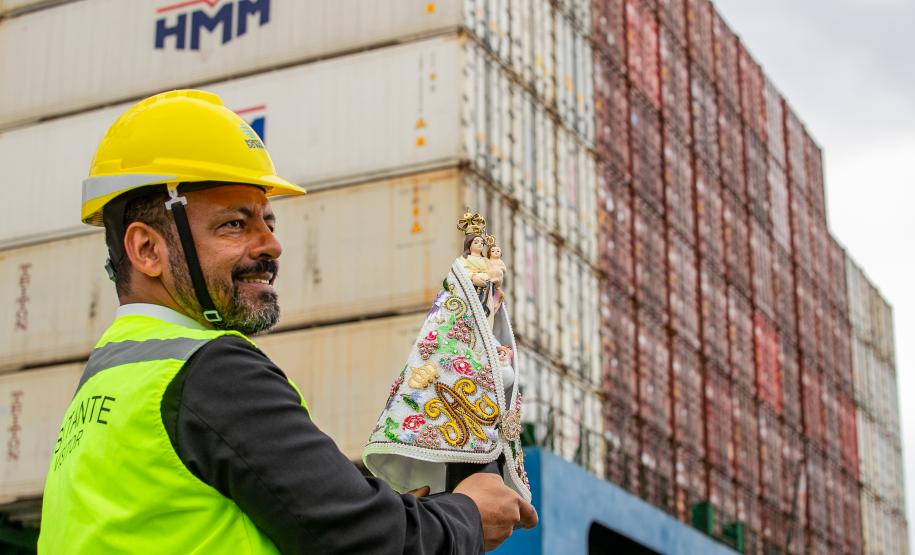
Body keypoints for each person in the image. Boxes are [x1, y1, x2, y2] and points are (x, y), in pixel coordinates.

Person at [37, 90, 537, 554]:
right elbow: (366, 541)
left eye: (268, 222)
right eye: (235, 224)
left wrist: (393, 509)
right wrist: (468, 515)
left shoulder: (107, 382)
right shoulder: (210, 372)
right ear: (148, 249)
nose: (272, 245)